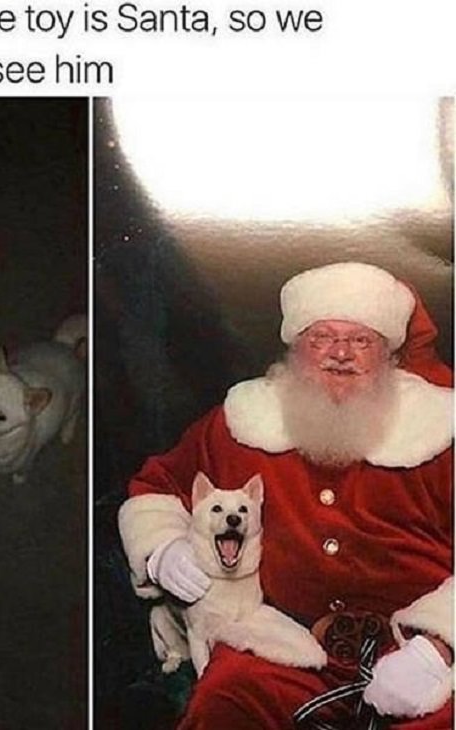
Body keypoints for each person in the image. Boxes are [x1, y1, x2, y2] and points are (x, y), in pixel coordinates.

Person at [118, 262, 453, 728]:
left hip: (422, 652)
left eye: (360, 340)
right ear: (296, 348)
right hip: (284, 638)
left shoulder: (439, 428)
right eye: (321, 338)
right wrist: (162, 550)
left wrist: (437, 647)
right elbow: (158, 487)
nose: (340, 353)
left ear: (388, 354)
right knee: (226, 697)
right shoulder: (242, 420)